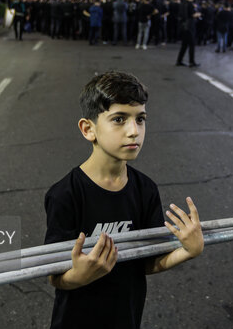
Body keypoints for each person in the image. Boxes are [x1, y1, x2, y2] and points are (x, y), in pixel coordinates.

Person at [44, 71, 204, 329]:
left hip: (126, 318)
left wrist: (187, 251)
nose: (134, 131)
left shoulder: (146, 190)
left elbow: (148, 261)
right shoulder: (65, 194)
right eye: (119, 119)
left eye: (140, 119)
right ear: (89, 129)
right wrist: (78, 276)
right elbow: (55, 275)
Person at [175, 0, 201, 67]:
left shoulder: (182, 4)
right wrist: (198, 14)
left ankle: (179, 60)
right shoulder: (190, 4)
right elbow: (192, 15)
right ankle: (191, 62)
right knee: (192, 45)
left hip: (183, 26)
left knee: (184, 45)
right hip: (190, 26)